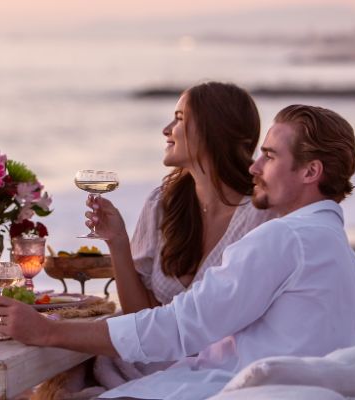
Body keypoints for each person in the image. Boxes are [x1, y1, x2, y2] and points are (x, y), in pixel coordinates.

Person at [0, 104, 355, 400]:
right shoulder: (337, 249)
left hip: (224, 388)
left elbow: (180, 327)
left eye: (270, 156)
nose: (254, 167)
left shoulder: (284, 238)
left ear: (311, 171)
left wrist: (46, 332)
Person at [49, 81, 277, 397]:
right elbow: (139, 315)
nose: (167, 129)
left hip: (217, 371)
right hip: (145, 360)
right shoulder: (163, 205)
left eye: (180, 118)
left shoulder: (262, 217)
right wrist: (117, 241)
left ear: (215, 131)